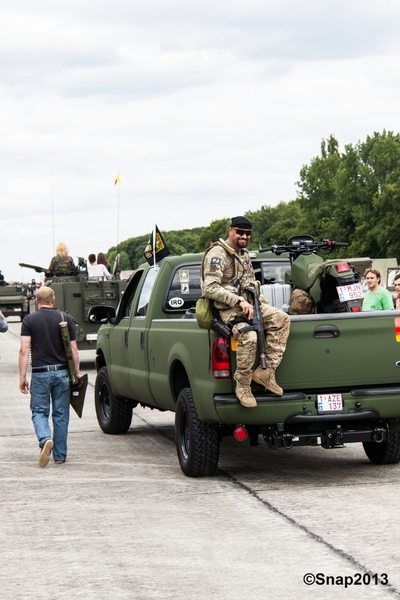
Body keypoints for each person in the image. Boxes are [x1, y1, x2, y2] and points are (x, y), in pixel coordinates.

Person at [201, 216, 290, 408]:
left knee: (282, 319)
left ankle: (266, 372)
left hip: (251, 305)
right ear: (230, 230)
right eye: (240, 232)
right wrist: (238, 300)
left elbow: (251, 286)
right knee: (249, 337)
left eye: (248, 233)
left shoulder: (244, 254)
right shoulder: (218, 254)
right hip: (228, 310)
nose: (244, 236)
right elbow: (210, 288)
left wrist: (262, 306)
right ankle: (242, 385)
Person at [18, 286, 80, 467]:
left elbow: (24, 351)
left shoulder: (29, 320)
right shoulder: (65, 318)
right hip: (62, 373)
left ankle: (45, 438)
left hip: (40, 374)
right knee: (61, 414)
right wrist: (76, 373)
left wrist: (22, 377)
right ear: (53, 300)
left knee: (39, 411)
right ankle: (60, 455)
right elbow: (74, 349)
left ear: (37, 302)